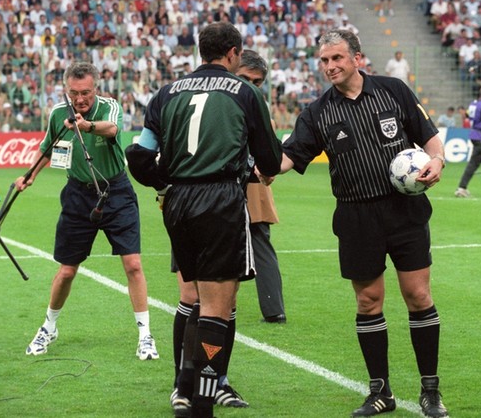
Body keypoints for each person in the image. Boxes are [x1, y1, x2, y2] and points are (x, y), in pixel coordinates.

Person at [274, 29, 448, 418]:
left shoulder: (394, 91)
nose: (331, 66)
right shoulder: (318, 112)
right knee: (368, 302)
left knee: (418, 296)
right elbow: (288, 156)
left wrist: (436, 162)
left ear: (357, 58)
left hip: (404, 211)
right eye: (324, 61)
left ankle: (431, 391)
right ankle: (380, 392)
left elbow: (431, 139)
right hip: (355, 215)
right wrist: (262, 167)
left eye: (337, 58)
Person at [125, 22, 283, 418]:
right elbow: (268, 160)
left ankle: (183, 387)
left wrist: (167, 181)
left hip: (177, 202)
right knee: (218, 307)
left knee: (191, 297)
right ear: (233, 53)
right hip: (220, 200)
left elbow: (139, 157)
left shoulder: (166, 93)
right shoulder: (244, 93)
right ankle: (202, 402)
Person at [15, 61, 158, 361]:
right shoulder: (57, 113)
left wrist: (86, 125)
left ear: (96, 89)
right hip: (78, 195)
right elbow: (48, 148)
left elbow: (113, 129)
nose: (80, 99)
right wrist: (29, 176)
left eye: (86, 93)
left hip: (115, 191)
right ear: (66, 90)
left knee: (132, 264)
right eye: (75, 93)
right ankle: (49, 326)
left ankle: (145, 335)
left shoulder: (109, 107)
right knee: (67, 271)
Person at [237, 50, 287, 324]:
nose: (250, 86)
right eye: (245, 78)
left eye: (256, 82)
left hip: (252, 182)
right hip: (234, 183)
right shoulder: (255, 103)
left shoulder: (257, 105)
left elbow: (270, 149)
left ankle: (274, 310)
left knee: (260, 243)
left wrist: (265, 169)